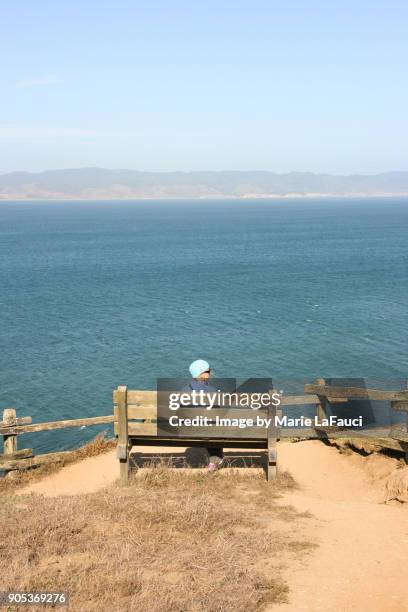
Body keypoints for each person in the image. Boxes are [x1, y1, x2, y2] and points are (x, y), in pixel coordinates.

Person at [186, 359, 224, 472]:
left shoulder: (184, 390)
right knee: (214, 425)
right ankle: (215, 459)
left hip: (188, 429)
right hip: (208, 430)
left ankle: (215, 459)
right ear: (203, 374)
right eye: (208, 370)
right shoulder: (212, 391)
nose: (210, 371)